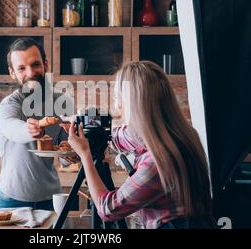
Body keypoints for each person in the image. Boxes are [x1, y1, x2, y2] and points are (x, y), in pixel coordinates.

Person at [66, 61, 214, 229]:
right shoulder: (184, 136)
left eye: (117, 98)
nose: (117, 105)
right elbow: (125, 135)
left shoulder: (158, 162)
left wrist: (85, 155)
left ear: (131, 104)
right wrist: (91, 129)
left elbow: (108, 210)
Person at [0, 38, 73, 210]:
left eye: (35, 64)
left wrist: (75, 151)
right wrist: (30, 129)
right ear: (12, 73)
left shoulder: (62, 102)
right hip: (12, 198)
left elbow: (65, 155)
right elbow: (11, 128)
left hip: (52, 197)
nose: (30, 73)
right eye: (22, 68)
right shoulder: (8, 105)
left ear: (46, 65)